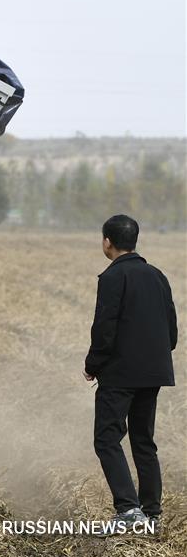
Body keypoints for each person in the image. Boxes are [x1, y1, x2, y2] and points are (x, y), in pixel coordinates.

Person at [84, 214, 178, 531]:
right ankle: (151, 512)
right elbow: (172, 332)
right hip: (153, 373)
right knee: (143, 441)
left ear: (107, 242)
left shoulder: (112, 278)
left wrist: (92, 365)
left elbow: (104, 329)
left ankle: (128, 510)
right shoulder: (157, 276)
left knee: (107, 439)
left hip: (120, 374)